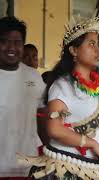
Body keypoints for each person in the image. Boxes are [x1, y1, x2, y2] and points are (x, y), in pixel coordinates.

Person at [17, 10, 99, 179]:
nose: (98, 50)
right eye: (91, 44)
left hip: (94, 170)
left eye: (97, 44)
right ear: (73, 50)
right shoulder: (62, 86)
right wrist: (92, 144)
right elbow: (54, 128)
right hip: (66, 170)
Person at [0, 16, 47, 178]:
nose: (11, 47)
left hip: (26, 166)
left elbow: (42, 115)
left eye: (17, 42)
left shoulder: (33, 77)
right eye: (4, 41)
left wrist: (49, 152)